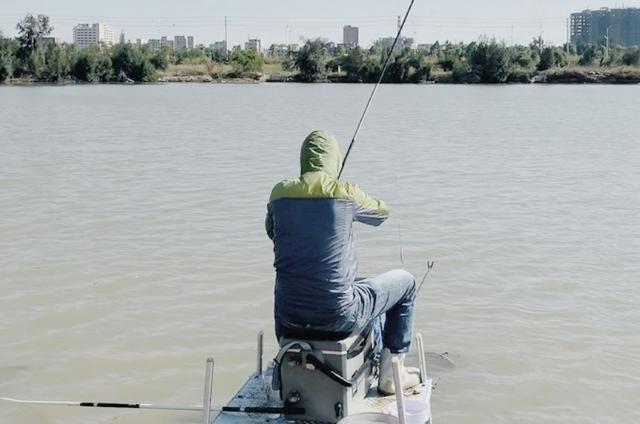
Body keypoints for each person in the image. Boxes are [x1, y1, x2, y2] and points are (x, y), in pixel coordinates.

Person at [265, 130, 420, 395]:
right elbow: (381, 213)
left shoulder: (279, 193)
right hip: (338, 317)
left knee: (358, 284)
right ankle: (391, 375)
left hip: (287, 320)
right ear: (334, 160)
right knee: (406, 283)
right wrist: (342, 195)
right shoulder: (345, 192)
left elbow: (272, 232)